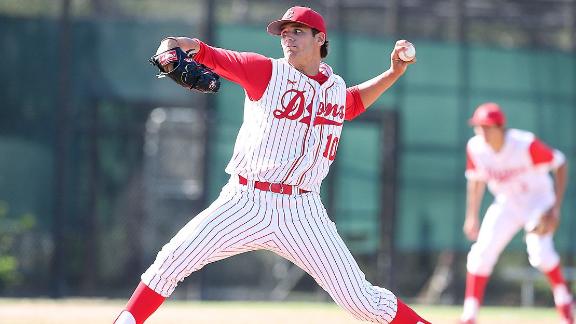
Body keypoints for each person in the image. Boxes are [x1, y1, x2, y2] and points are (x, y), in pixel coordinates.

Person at [114, 6, 429, 324]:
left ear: (320, 38)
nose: (287, 38)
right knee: (172, 259)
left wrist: (392, 74)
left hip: (303, 210)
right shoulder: (264, 71)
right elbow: (199, 49)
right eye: (284, 32)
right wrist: (171, 44)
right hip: (246, 200)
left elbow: (351, 104)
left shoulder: (334, 89)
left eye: (297, 31)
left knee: (362, 300)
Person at [461, 102, 574, 324]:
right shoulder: (475, 147)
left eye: (487, 126)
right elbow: (475, 181)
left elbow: (560, 164)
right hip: (507, 203)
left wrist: (556, 207)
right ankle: (469, 315)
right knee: (480, 254)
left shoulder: (525, 144)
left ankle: (565, 301)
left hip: (538, 202)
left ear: (500, 127)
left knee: (540, 254)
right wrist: (471, 215)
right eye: (478, 126)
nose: (481, 131)